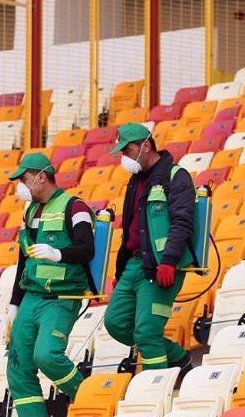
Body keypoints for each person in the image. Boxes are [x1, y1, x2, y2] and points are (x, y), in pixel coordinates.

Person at [5, 152, 95, 416]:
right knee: (18, 366)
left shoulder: (74, 207)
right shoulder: (30, 211)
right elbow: (24, 260)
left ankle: (92, 402)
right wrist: (14, 303)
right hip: (31, 296)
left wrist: (58, 254)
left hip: (61, 298)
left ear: (41, 177)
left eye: (24, 179)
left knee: (47, 356)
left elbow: (87, 250)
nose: (20, 185)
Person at [104, 122, 195, 372]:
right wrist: (120, 270)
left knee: (146, 332)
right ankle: (177, 357)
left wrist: (169, 261)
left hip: (160, 266)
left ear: (146, 146)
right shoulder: (135, 182)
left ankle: (155, 387)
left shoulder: (175, 176)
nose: (124, 157)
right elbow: (131, 229)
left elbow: (182, 222)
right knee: (115, 323)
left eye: (127, 150)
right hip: (133, 265)